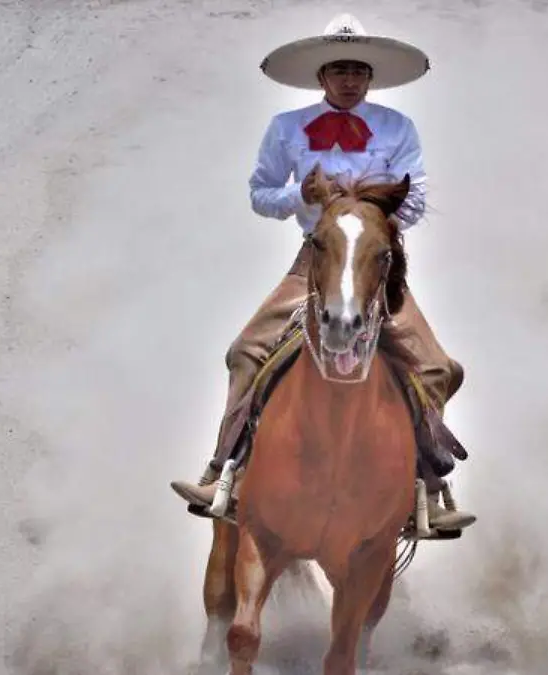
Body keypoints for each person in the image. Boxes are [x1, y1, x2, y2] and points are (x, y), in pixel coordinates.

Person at [170, 13, 475, 533]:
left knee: (436, 366)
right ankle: (224, 472)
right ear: (321, 76)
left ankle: (428, 488)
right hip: (314, 259)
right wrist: (300, 195)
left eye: (358, 70)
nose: (349, 80)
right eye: (339, 70)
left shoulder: (398, 128)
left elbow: (417, 200)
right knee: (246, 350)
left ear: (370, 77)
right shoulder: (286, 128)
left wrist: (368, 217)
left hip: (375, 262)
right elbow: (260, 195)